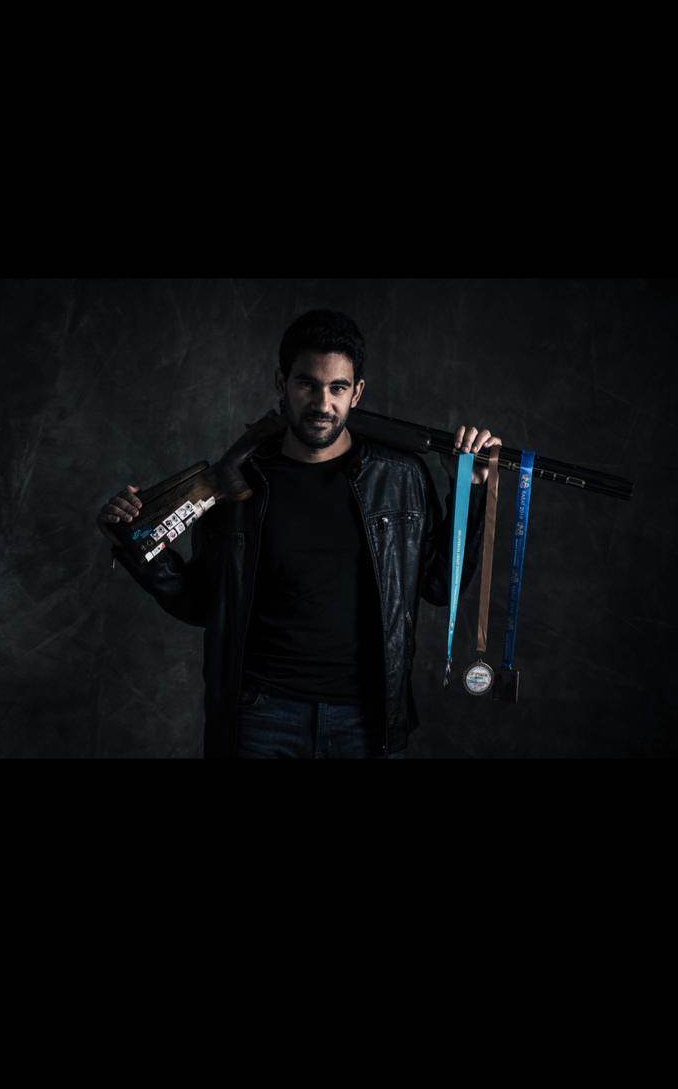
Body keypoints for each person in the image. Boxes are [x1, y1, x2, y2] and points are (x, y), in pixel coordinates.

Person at [97, 310, 502, 759]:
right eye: (308, 384)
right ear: (282, 383)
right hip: (261, 718)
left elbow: (439, 586)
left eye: (338, 388)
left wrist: (470, 493)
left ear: (357, 392)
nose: (322, 404)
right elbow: (201, 602)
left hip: (367, 719)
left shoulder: (401, 478)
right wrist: (139, 543)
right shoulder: (237, 483)